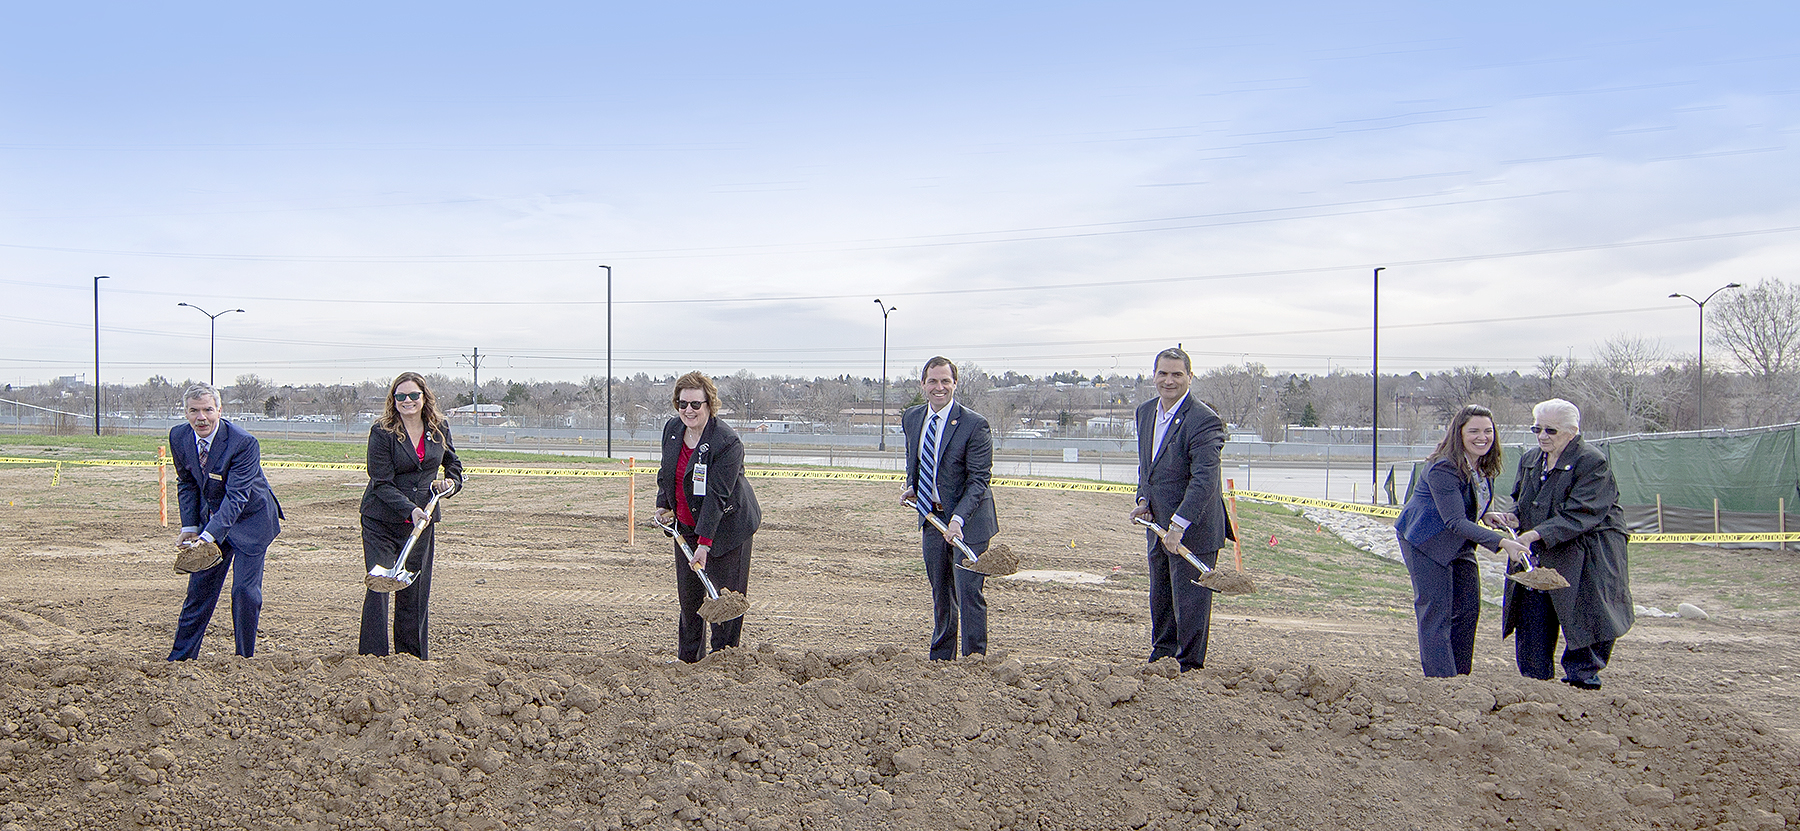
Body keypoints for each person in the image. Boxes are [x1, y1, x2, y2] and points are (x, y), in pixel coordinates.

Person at [1489, 398, 1634, 690]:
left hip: (1587, 552)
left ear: (1572, 431)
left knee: (1586, 613)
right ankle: (1535, 682)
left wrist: (1534, 534)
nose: (1542, 436)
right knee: (1532, 612)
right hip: (1541, 550)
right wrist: (1512, 518)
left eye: (1550, 431)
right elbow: (1524, 502)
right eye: (1537, 429)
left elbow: (1583, 512)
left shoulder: (1592, 462)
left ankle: (1582, 682)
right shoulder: (1531, 459)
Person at [1394, 405, 1530, 677]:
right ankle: (1441, 681)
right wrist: (1504, 543)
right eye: (1474, 431)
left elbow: (1463, 506)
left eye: (1488, 431)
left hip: (1458, 542)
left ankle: (1459, 678)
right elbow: (1453, 520)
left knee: (1468, 611)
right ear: (1459, 433)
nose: (1483, 437)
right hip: (1426, 541)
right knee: (1436, 612)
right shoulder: (1443, 466)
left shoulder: (1482, 464)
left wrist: (1485, 514)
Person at [1129, 347, 1232, 671]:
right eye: (1163, 373)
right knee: (1160, 597)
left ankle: (1188, 667)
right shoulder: (1145, 412)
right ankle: (1162, 658)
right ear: (1154, 375)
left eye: (1177, 374)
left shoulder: (1204, 420)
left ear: (1190, 376)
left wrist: (1178, 527)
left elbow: (1204, 480)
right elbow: (1148, 466)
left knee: (1190, 604)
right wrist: (1143, 501)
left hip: (1193, 528)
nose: (1169, 380)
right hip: (1157, 525)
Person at [167, 383, 283, 660]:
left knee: (244, 591)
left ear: (220, 410)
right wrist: (190, 527)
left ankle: (244, 660)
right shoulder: (179, 437)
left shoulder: (243, 442)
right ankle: (180, 659)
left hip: (250, 521)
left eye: (208, 410)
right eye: (194, 411)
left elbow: (237, 497)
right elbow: (187, 483)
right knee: (199, 590)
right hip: (211, 521)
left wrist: (208, 538)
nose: (201, 417)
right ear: (185, 412)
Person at [655, 371, 761, 663]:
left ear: (709, 404)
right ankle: (688, 660)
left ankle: (723, 661)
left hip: (727, 527)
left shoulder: (727, 443)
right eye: (682, 403)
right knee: (689, 599)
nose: (688, 410)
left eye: (695, 404)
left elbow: (716, 496)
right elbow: (667, 473)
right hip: (686, 526)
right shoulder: (673, 430)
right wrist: (664, 505)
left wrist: (705, 543)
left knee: (723, 600)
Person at [900, 356, 999, 660]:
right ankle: (941, 662)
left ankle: (974, 662)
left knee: (968, 594)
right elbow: (916, 462)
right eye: (933, 381)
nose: (939, 387)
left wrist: (957, 520)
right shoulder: (912, 418)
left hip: (968, 523)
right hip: (932, 519)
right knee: (941, 594)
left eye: (945, 381)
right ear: (923, 384)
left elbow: (979, 479)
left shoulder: (974, 424)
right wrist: (913, 487)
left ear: (955, 384)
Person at [359, 372, 463, 660]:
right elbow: (380, 482)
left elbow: (453, 464)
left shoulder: (438, 427)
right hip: (381, 520)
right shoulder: (382, 432)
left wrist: (450, 484)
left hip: (422, 522)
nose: (408, 401)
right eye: (401, 396)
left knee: (415, 591)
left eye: (413, 395)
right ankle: (372, 658)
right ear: (394, 400)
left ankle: (411, 660)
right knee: (380, 586)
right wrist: (410, 509)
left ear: (424, 397)